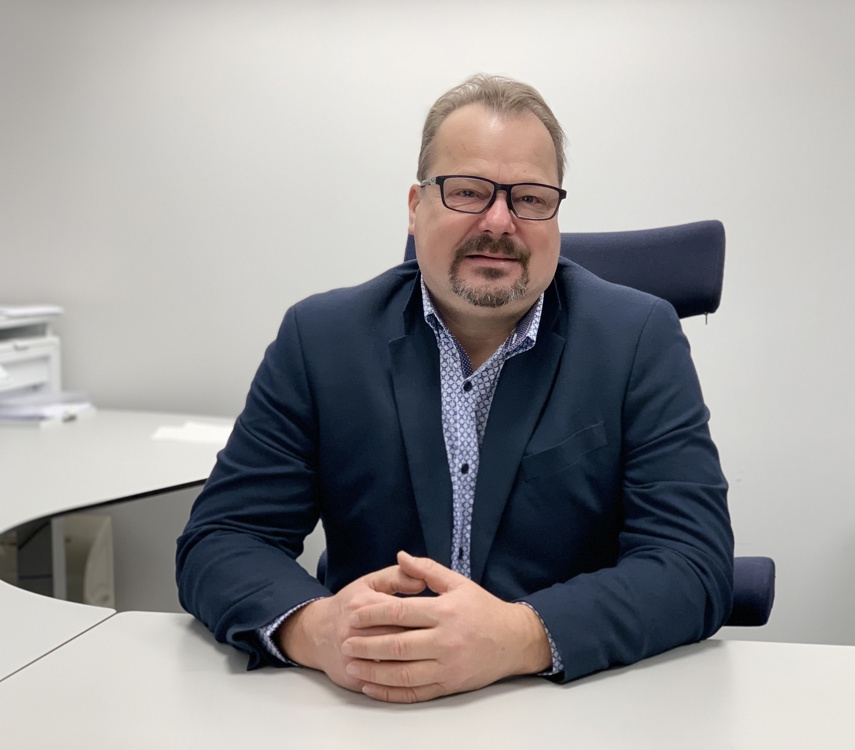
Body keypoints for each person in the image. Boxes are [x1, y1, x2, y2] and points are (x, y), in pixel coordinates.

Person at [176, 73, 733, 704]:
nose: (499, 222)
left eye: (529, 198)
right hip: (363, 704)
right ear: (415, 208)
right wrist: (318, 629)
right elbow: (223, 539)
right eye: (468, 192)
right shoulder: (322, 338)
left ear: (555, 214)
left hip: (562, 705)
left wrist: (518, 636)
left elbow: (693, 564)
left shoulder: (637, 338)